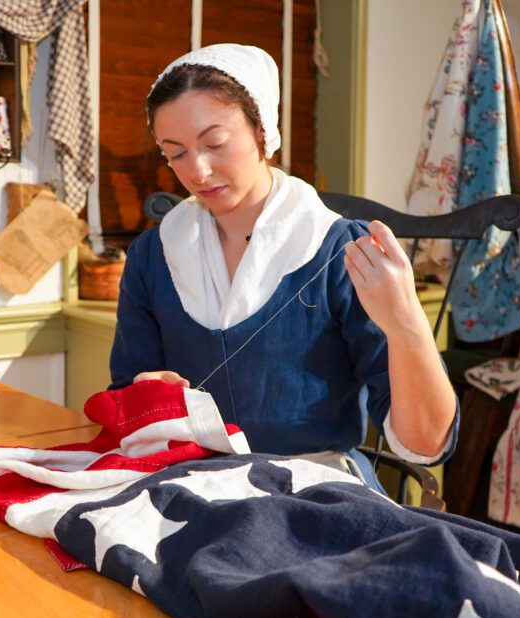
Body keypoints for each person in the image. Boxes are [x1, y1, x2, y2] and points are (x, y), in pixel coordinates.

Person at [109, 44, 458, 487]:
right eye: (175, 153)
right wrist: (148, 395)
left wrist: (407, 324)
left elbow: (425, 445)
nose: (197, 172)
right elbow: (123, 397)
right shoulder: (153, 256)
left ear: (261, 131)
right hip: (191, 486)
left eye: (214, 143)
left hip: (314, 489)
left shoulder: (341, 253)